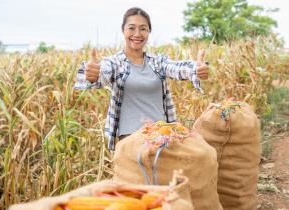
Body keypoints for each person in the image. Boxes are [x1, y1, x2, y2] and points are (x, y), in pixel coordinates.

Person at [74, 7, 209, 151]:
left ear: (149, 32)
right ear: (123, 31)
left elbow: (177, 68)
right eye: (131, 28)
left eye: (143, 29)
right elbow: (104, 72)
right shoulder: (115, 63)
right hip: (130, 139)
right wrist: (93, 75)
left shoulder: (157, 62)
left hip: (161, 136)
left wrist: (196, 70)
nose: (137, 34)